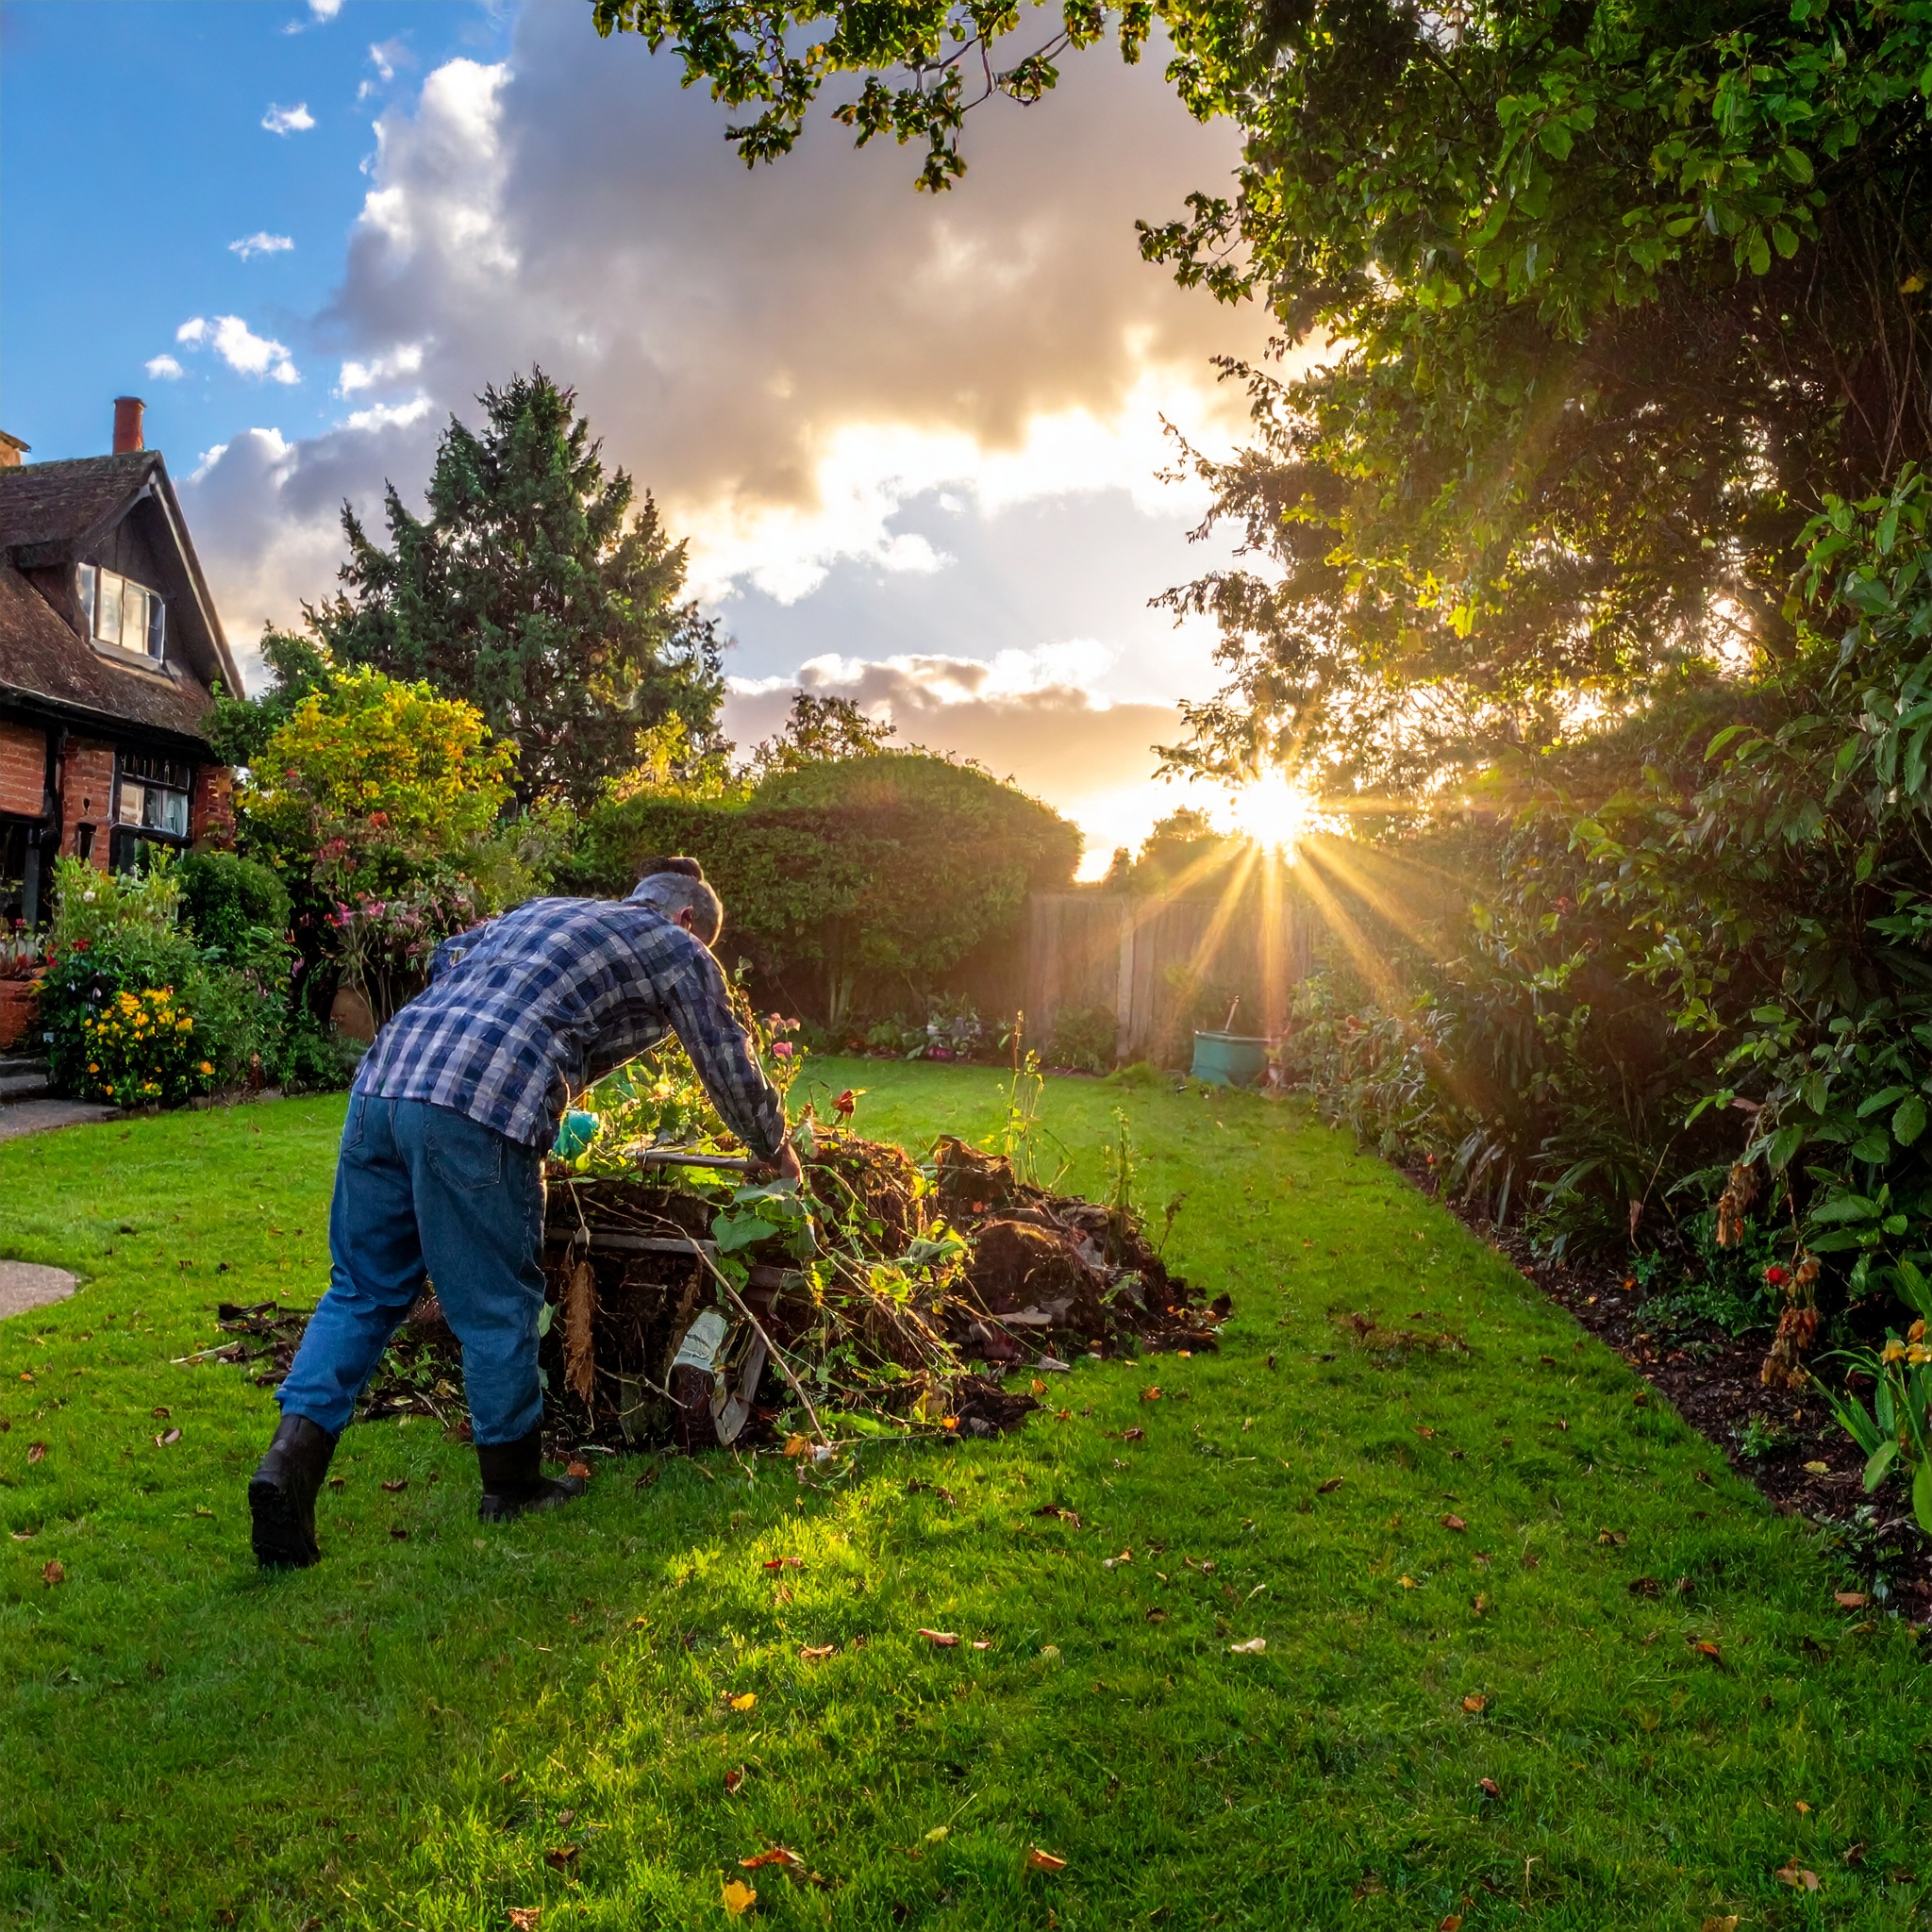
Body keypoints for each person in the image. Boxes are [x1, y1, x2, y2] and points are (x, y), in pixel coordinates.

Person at [248, 858, 798, 1568]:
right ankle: (511, 1487)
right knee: (497, 1304)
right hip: (479, 1108)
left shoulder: (543, 911)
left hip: (382, 1089)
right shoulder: (676, 945)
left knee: (361, 1290)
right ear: (688, 920)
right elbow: (726, 1056)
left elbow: (447, 955)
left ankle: (288, 1465)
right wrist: (774, 1147)